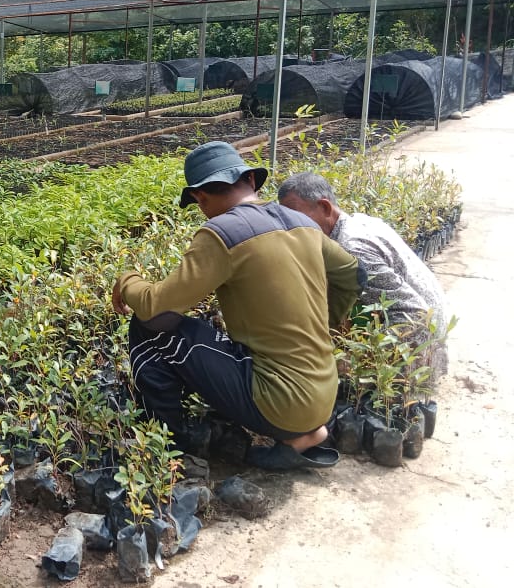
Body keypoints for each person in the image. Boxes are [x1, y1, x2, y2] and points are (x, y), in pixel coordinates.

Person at [112, 141, 364, 470]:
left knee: (150, 328)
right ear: (251, 182)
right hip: (324, 393)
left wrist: (126, 280)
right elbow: (354, 274)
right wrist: (325, 325)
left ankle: (166, 445)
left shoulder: (222, 233)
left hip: (280, 403)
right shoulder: (302, 224)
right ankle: (303, 434)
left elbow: (155, 306)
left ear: (200, 198)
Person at [277, 171, 450, 379]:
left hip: (425, 342)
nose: (290, 228)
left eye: (295, 216)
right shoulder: (358, 221)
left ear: (324, 207)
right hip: (431, 321)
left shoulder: (352, 250)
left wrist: (358, 358)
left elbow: (416, 315)